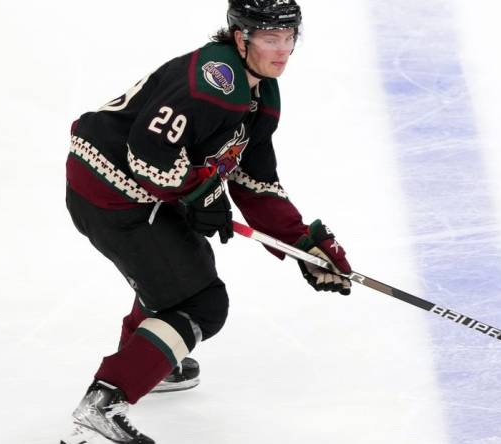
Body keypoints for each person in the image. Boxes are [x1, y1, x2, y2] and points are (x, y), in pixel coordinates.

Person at [61, 1, 353, 443]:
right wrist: (200, 193)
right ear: (241, 37)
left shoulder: (259, 90)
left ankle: (151, 360)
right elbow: (147, 153)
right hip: (113, 194)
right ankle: (104, 401)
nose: (284, 50)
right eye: (271, 38)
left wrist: (303, 245)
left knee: (183, 273)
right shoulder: (216, 82)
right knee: (201, 303)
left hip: (136, 191)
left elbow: (253, 178)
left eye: (290, 37)